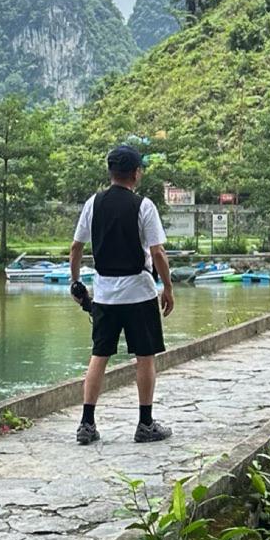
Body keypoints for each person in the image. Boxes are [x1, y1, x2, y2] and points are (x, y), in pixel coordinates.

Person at [69, 144, 174, 446]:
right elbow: (158, 253)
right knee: (145, 356)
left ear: (111, 172)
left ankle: (87, 424)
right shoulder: (144, 206)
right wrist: (167, 287)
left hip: (104, 294)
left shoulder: (93, 203)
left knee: (99, 355)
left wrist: (76, 283)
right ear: (137, 172)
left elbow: (76, 248)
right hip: (139, 294)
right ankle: (145, 423)